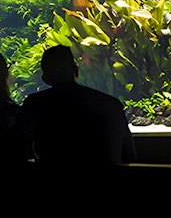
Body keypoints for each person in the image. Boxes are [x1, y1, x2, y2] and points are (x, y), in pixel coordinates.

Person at [8, 44, 137, 165]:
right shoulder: (111, 104)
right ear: (75, 70)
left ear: (45, 79)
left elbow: (16, 151)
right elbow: (129, 157)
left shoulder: (35, 105)